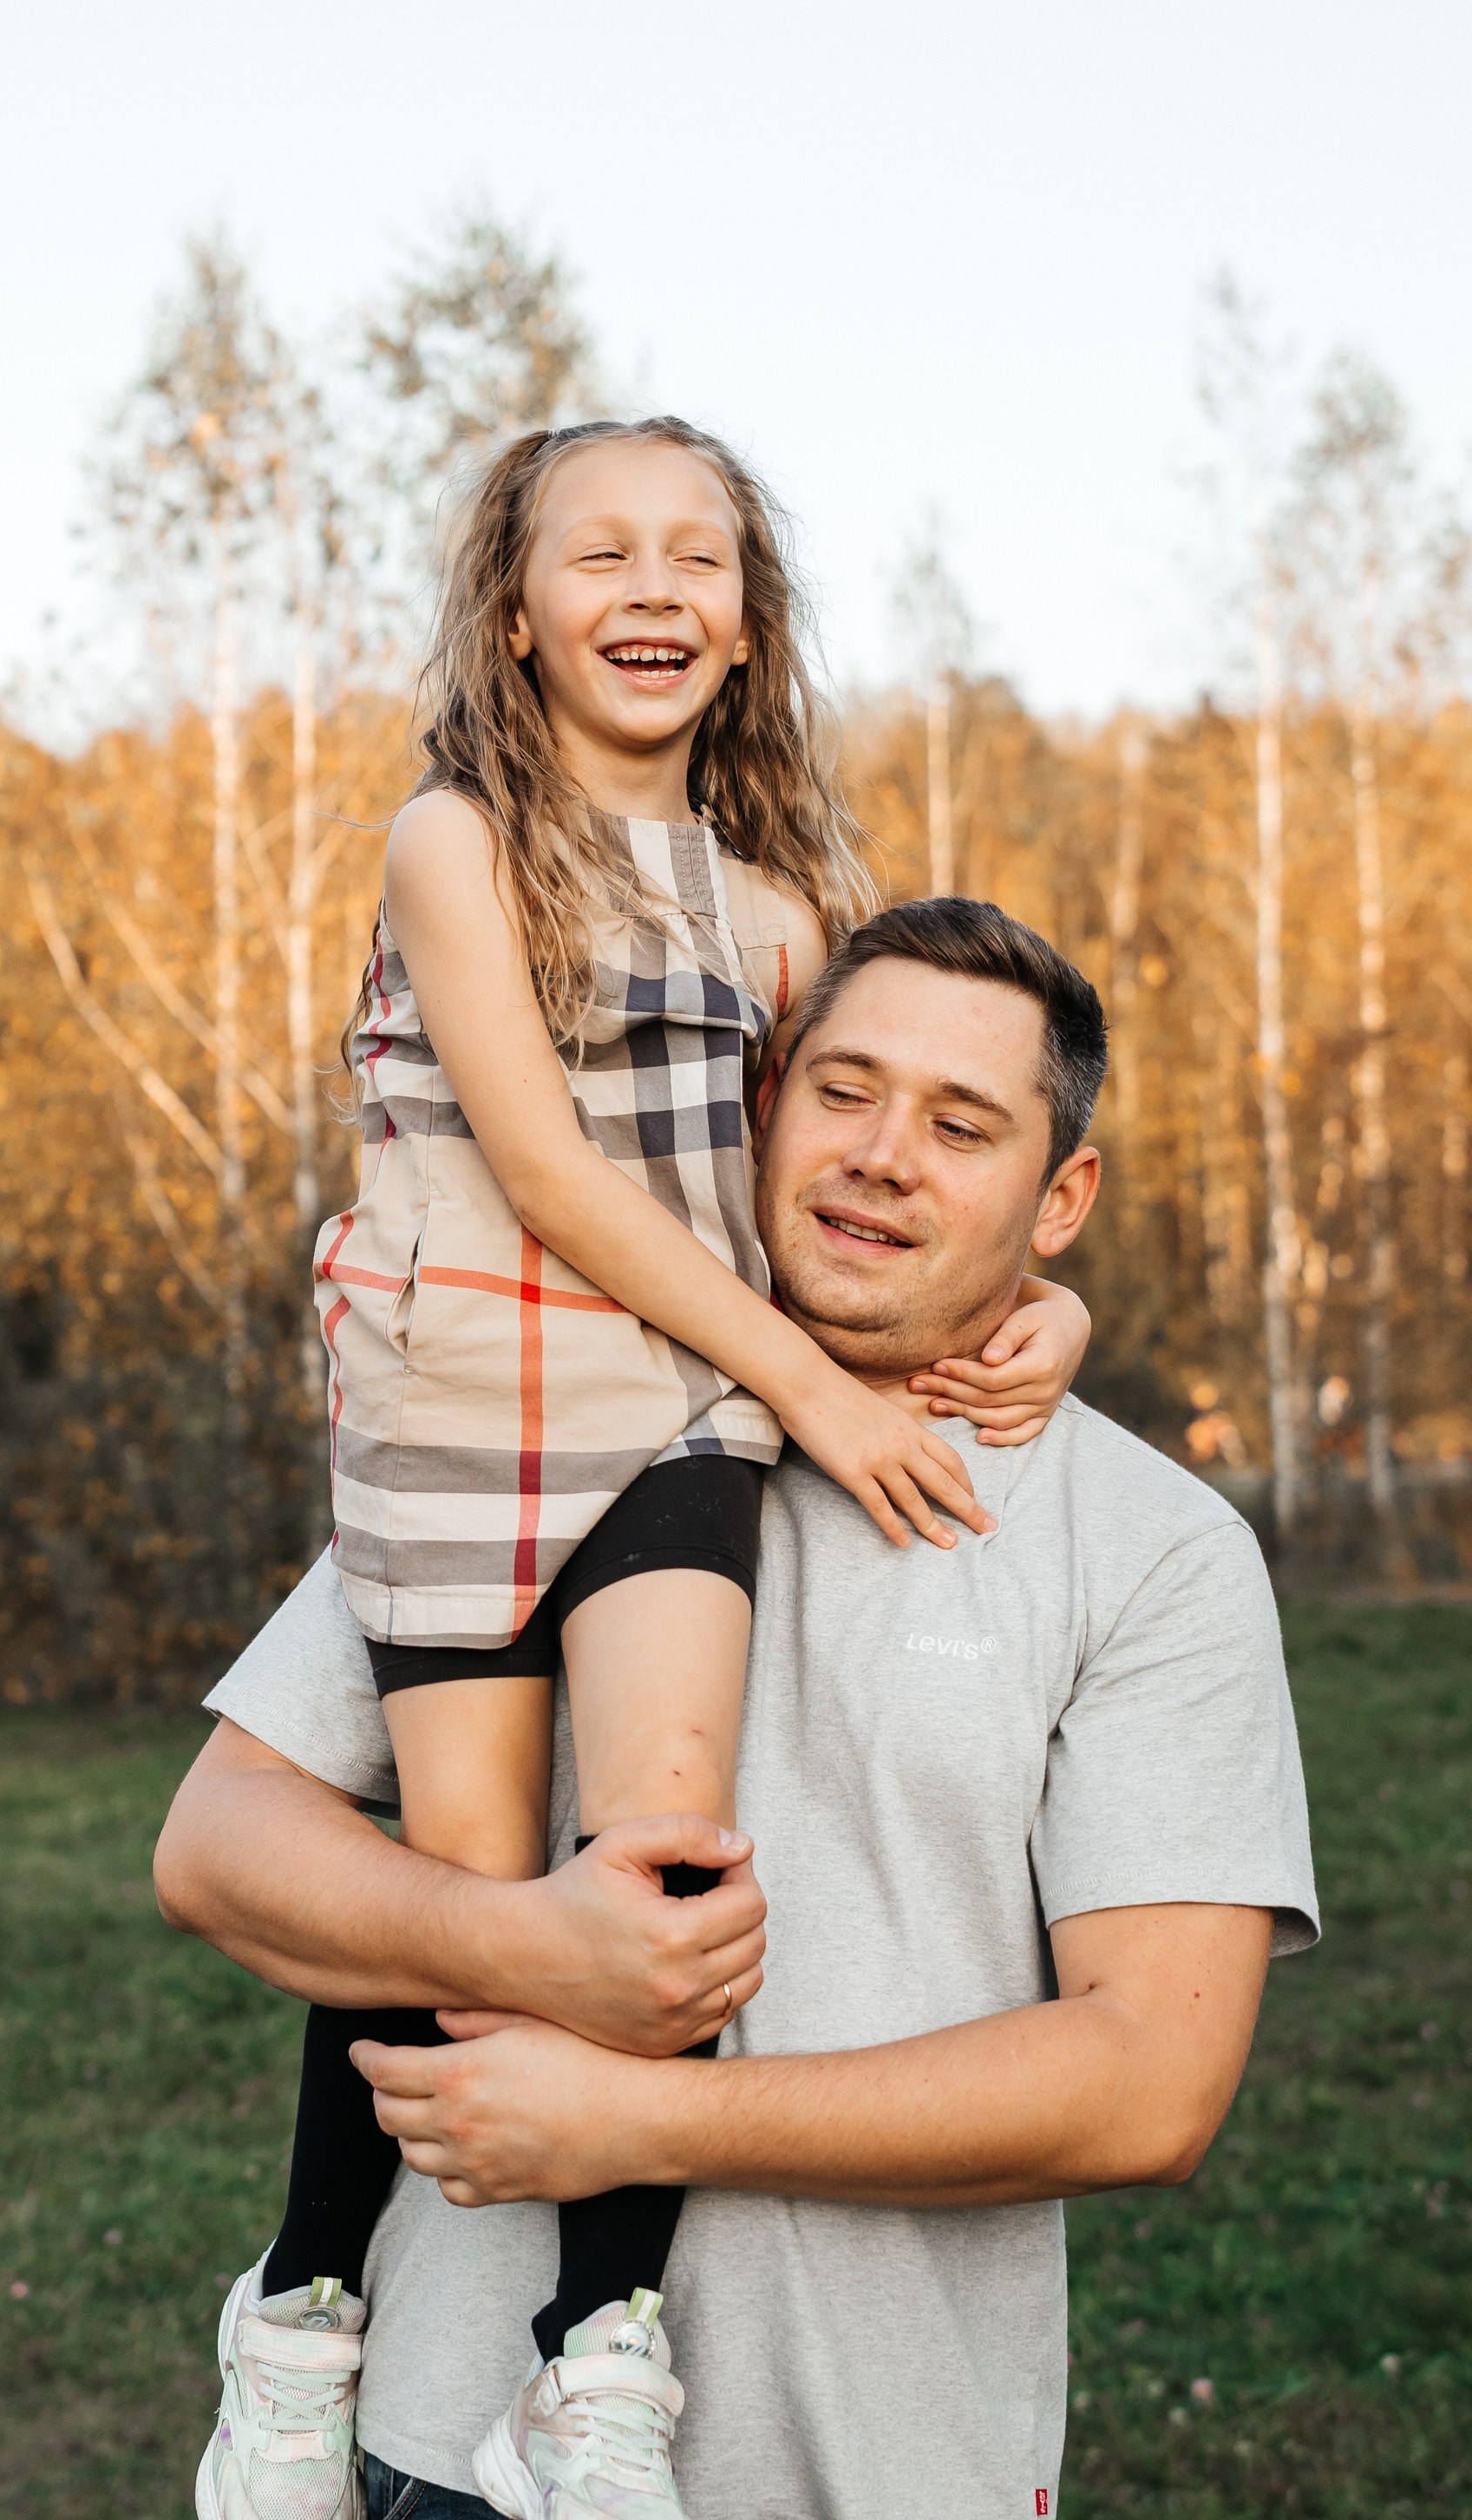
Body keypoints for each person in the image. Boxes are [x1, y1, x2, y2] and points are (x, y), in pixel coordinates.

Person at [157, 895, 1319, 2520]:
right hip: (449, 2447)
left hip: (890, 2471)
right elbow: (217, 1844)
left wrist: (634, 2117)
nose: (882, 1154)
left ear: (1061, 1200)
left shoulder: (1155, 1551)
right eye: (842, 1090)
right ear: (760, 1108)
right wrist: (528, 1950)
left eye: (961, 1124)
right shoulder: (542, 1415)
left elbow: (1152, 2081)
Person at [208, 417, 1090, 2519]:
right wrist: (833, 1389)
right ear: (515, 616)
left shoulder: (788, 917)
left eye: (700, 556)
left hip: (680, 1421)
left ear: (748, 621)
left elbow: (876, 1161)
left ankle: (595, 2367)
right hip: (465, 1415)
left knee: (668, 1850)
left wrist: (1044, 1314)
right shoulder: (455, 843)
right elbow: (537, 1165)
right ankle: (303, 2310)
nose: (654, 587)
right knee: (468, 1905)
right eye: (599, 552)